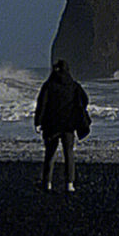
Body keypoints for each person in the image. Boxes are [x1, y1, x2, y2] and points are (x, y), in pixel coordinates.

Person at [34, 60, 90, 192]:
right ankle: (69, 184)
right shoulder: (74, 86)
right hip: (69, 125)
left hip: (51, 125)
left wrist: (38, 122)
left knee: (50, 154)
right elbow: (85, 100)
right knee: (69, 154)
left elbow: (41, 105)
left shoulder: (48, 86)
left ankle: (47, 183)